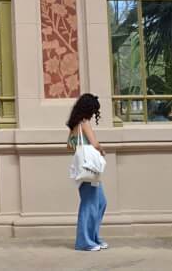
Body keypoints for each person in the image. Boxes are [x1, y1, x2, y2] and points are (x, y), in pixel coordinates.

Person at [67, 93, 108, 252]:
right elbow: (95, 143)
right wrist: (101, 151)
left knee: (100, 202)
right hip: (89, 168)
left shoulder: (74, 125)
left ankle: (93, 237)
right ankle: (85, 241)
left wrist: (81, 148)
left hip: (84, 169)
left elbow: (69, 147)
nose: (93, 113)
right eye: (93, 110)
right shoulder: (84, 122)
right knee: (89, 204)